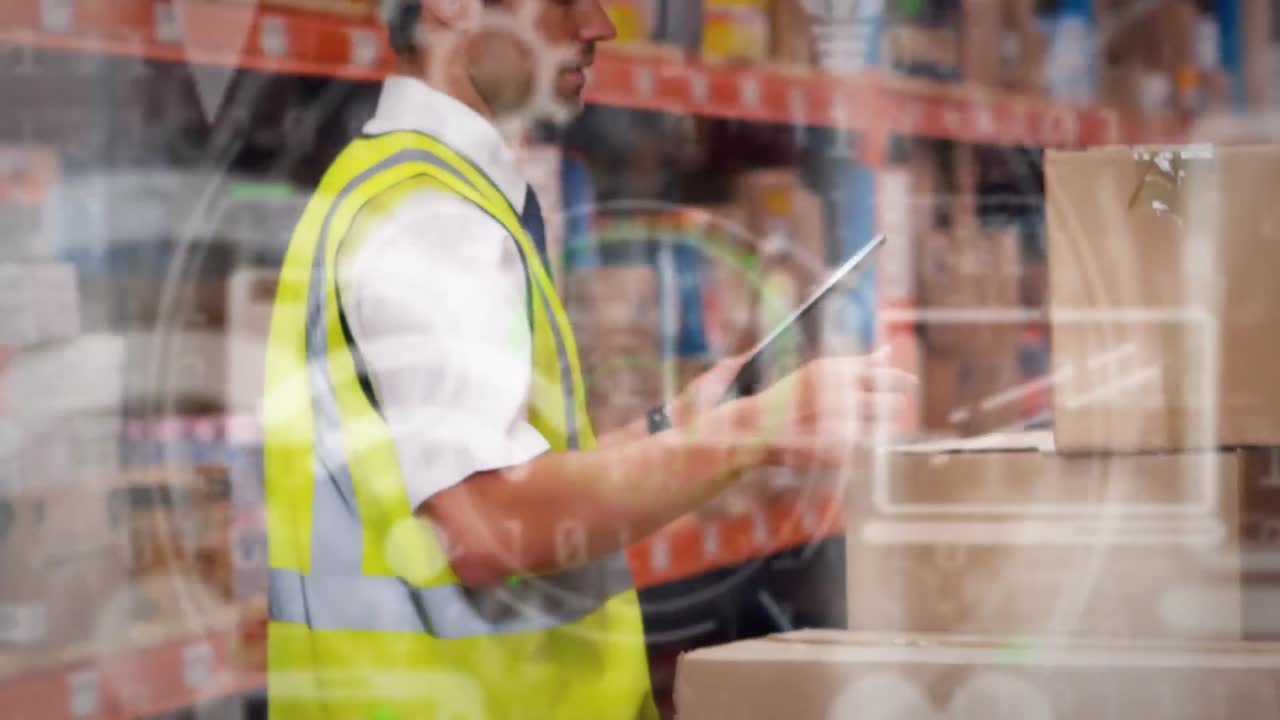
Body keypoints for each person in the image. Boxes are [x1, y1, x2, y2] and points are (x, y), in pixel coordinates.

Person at [261, 0, 912, 717]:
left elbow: (499, 476)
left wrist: (673, 427)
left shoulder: (415, 193)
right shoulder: (430, 219)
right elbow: (482, 524)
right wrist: (749, 433)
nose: (600, 24)